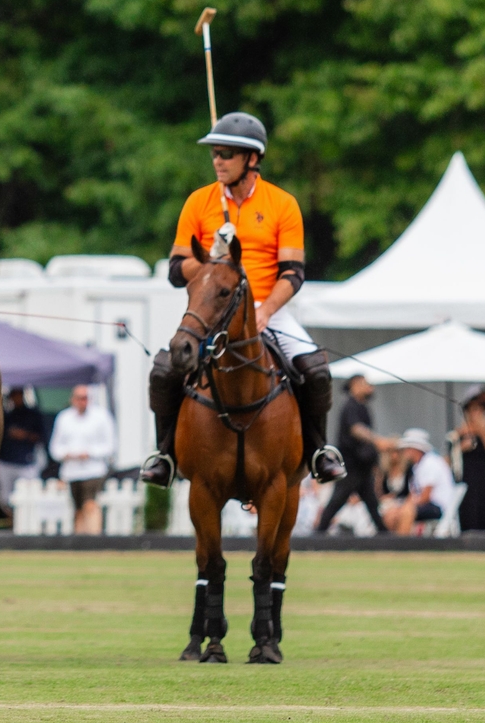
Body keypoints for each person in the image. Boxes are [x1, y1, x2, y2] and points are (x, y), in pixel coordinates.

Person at [141, 111, 344, 488]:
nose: (217, 160)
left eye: (226, 153)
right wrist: (211, 265)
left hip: (269, 310)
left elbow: (293, 273)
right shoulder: (199, 202)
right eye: (215, 153)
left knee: (315, 369)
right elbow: (174, 268)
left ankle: (319, 451)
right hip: (213, 311)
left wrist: (265, 311)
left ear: (252, 159)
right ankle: (165, 454)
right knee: (165, 371)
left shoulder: (282, 204)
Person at [316, 376, 387, 534]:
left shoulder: (362, 406)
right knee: (338, 500)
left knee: (371, 502)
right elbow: (356, 429)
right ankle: (319, 533)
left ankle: (383, 532)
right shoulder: (351, 406)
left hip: (361, 466)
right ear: (355, 385)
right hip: (350, 465)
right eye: (366, 384)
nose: (370, 388)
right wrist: (378, 441)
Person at [48, 385, 115, 534]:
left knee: (90, 505)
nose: (82, 402)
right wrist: (66, 454)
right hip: (71, 471)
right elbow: (55, 447)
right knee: (77, 509)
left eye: (84, 398)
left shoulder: (101, 416)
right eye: (79, 398)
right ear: (73, 399)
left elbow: (109, 445)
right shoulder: (64, 418)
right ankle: (80, 540)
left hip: (93, 470)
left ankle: (93, 537)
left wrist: (90, 453)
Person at [382, 428, 455, 534]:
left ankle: (402, 546)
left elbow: (426, 496)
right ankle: (390, 545)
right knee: (391, 513)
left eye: (407, 448)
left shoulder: (431, 463)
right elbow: (415, 494)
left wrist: (404, 507)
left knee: (407, 512)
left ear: (415, 449)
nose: (404, 452)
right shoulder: (418, 466)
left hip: (438, 507)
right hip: (428, 505)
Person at [455, 390, 485, 532]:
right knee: (470, 504)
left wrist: (482, 431)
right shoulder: (461, 431)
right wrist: (462, 447)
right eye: (472, 410)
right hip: (469, 472)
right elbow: (451, 453)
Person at [0, 387, 47, 501]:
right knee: (6, 499)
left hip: (26, 462)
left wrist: (24, 435)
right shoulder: (6, 415)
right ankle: (11, 518)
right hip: (6, 461)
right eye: (13, 396)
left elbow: (41, 436)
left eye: (18, 395)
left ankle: (23, 518)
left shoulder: (33, 414)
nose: (15, 399)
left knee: (27, 497)